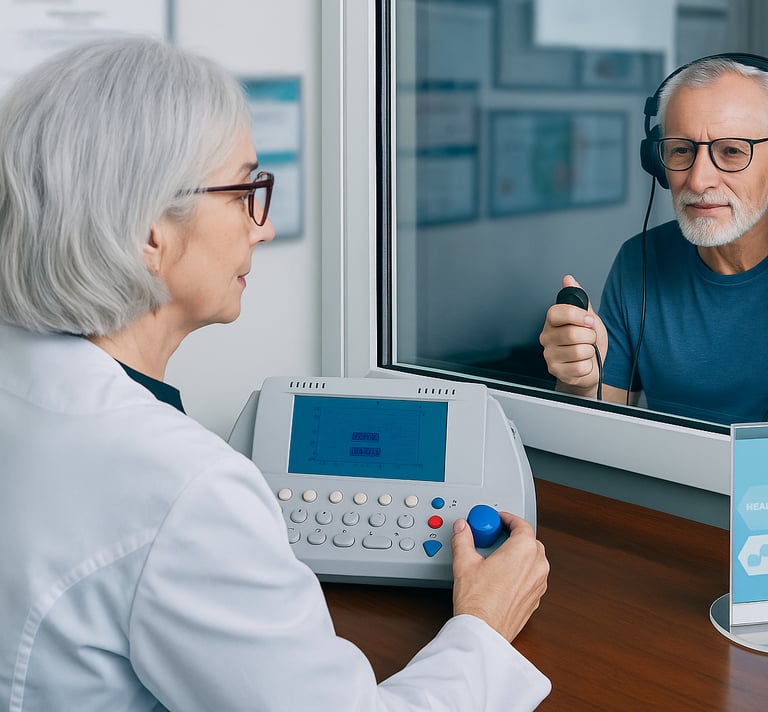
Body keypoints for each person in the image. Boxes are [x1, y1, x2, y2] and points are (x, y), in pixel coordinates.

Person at [0, 37, 551, 711]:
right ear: (150, 232)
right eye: (244, 192)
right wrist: (484, 629)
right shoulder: (185, 493)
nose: (261, 229)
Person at [539, 54, 768, 425]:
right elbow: (598, 430)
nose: (697, 181)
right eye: (681, 150)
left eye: (731, 151)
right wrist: (580, 381)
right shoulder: (640, 260)